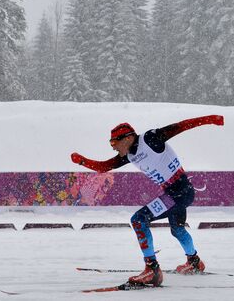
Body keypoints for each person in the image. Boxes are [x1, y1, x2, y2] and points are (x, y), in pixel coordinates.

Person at [70, 115, 225, 287]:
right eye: (110, 144)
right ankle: (194, 262)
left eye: (114, 143)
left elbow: (181, 126)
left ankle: (152, 269)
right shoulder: (128, 154)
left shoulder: (150, 138)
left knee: (138, 219)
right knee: (177, 229)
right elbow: (104, 167)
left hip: (178, 193)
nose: (113, 147)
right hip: (180, 192)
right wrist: (83, 161)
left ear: (128, 138)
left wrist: (212, 119)